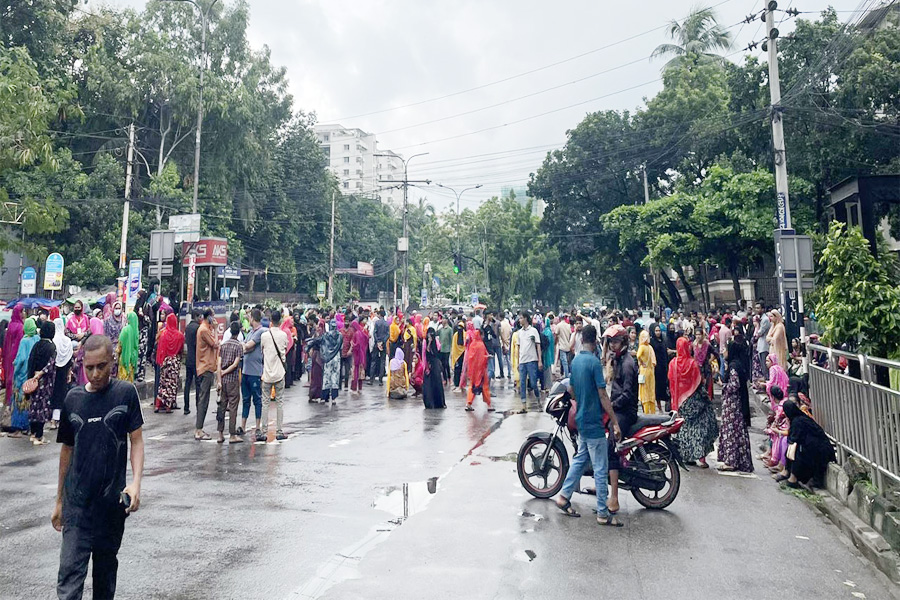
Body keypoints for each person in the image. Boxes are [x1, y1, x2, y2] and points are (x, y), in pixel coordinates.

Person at [53, 334, 144, 600]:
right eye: (88, 367)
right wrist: (59, 501)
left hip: (111, 506)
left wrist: (136, 482)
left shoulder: (125, 394)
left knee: (104, 583)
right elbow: (66, 451)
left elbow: (136, 441)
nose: (94, 374)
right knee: (69, 581)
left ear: (112, 362)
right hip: (77, 507)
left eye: (101, 366)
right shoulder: (73, 399)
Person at [553, 324, 623, 527]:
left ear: (582, 339)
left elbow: (572, 390)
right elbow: (603, 394)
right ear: (595, 341)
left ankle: (563, 496)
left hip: (581, 419)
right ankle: (602, 512)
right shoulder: (593, 363)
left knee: (580, 459)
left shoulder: (575, 362)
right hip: (594, 422)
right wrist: (615, 421)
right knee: (601, 467)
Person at [603, 325, 638, 513]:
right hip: (618, 407)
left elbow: (626, 394)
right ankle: (602, 485)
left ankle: (614, 498)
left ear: (623, 342)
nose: (612, 345)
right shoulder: (617, 360)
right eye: (611, 342)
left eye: (615, 341)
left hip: (626, 412)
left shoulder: (627, 363)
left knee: (611, 448)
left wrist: (610, 405)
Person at [669, 337, 718, 468]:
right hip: (695, 402)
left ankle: (686, 456)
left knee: (684, 429)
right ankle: (701, 458)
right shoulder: (692, 364)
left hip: (680, 403)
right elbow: (699, 383)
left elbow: (670, 382)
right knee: (701, 428)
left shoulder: (672, 364)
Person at [781, 399, 836, 489]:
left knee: (797, 453)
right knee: (792, 450)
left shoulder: (799, 421)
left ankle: (793, 478)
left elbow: (794, 439)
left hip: (821, 449)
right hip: (813, 445)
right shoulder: (797, 419)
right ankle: (787, 472)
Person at [717, 340, 754, 472]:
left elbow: (734, 385)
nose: (723, 352)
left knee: (731, 432)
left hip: (732, 405)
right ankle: (738, 460)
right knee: (737, 432)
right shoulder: (737, 365)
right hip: (736, 404)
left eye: (725, 350)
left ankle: (731, 461)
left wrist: (723, 385)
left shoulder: (733, 367)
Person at [258, 310, 289, 442]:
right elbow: (285, 349)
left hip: (267, 373)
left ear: (271, 321)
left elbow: (262, 350)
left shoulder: (264, 336)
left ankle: (263, 431)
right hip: (279, 373)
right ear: (280, 321)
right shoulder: (283, 335)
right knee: (279, 402)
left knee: (265, 403)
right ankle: (279, 430)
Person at [27, 320, 58, 445]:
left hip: (34, 379)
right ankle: (39, 436)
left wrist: (32, 376)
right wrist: (41, 373)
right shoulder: (52, 346)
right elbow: (51, 365)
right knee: (43, 407)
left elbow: (30, 362)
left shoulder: (36, 345)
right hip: (45, 381)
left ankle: (33, 433)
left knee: (34, 406)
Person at [215, 321, 244, 444]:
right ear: (238, 333)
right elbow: (236, 363)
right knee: (233, 407)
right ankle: (232, 434)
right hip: (232, 380)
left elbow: (218, 363)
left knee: (221, 407)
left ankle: (220, 434)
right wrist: (226, 371)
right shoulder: (238, 346)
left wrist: (219, 379)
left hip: (223, 381)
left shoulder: (223, 345)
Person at [192, 309, 218, 441]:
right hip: (205, 367)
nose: (213, 319)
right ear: (208, 317)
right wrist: (216, 329)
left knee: (204, 399)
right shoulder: (204, 330)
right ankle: (198, 429)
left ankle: (199, 428)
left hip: (205, 366)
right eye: (212, 317)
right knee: (203, 399)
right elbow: (215, 344)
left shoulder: (204, 329)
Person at [11, 317, 40, 435]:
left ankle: (19, 427)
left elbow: (21, 359)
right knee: (30, 399)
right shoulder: (37, 338)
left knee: (20, 400)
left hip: (22, 374)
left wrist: (15, 370)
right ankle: (29, 426)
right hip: (33, 374)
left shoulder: (24, 341)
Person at [240, 309, 265, 437]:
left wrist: (245, 347)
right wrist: (245, 347)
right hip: (245, 371)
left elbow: (248, 346)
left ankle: (257, 426)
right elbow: (245, 346)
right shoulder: (250, 332)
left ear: (253, 319)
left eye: (249, 318)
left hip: (255, 371)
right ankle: (243, 425)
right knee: (245, 399)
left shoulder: (261, 331)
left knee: (257, 400)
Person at [155, 314, 183, 413]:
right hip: (174, 362)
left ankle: (157, 406)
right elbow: (180, 350)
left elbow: (160, 350)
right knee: (171, 385)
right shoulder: (179, 335)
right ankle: (168, 406)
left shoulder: (163, 334)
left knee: (163, 384)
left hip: (165, 362)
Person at [51, 317, 74, 430]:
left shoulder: (53, 340)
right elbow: (70, 359)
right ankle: (60, 419)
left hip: (53, 372)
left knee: (54, 394)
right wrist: (69, 373)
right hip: (64, 371)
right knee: (62, 394)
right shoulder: (67, 341)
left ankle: (53, 420)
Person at [517, 311, 542, 410]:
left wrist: (539, 360)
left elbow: (538, 346)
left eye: (521, 318)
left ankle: (538, 400)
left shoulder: (533, 331)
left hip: (532, 360)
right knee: (522, 383)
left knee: (533, 383)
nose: (520, 320)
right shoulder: (520, 332)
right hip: (522, 361)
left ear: (526, 319)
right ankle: (523, 405)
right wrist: (518, 361)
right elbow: (519, 347)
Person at [464, 330, 493, 412]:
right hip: (481, 371)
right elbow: (482, 358)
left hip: (473, 371)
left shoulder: (472, 344)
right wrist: (488, 357)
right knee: (485, 387)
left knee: (472, 387)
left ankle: (468, 404)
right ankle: (489, 405)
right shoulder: (481, 345)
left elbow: (471, 358)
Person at [3, 305, 25, 411]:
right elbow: (20, 344)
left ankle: (7, 402)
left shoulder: (10, 325)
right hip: (16, 355)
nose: (24, 313)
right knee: (15, 379)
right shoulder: (20, 327)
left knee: (8, 378)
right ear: (19, 313)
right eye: (22, 311)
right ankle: (14, 405)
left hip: (8, 355)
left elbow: (6, 343)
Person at [183, 309, 202, 416]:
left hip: (188, 358)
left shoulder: (188, 327)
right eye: (200, 317)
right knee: (198, 384)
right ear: (196, 316)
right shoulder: (197, 328)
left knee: (188, 383)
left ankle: (186, 407)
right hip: (196, 359)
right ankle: (198, 406)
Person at [422, 329, 446, 409]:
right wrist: (425, 367)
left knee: (437, 383)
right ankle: (430, 403)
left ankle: (439, 403)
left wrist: (433, 341)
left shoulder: (436, 341)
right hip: (428, 364)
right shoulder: (425, 342)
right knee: (428, 385)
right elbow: (425, 354)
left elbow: (437, 351)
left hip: (435, 364)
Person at [648, 323, 669, 412]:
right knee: (657, 387)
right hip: (656, 368)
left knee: (664, 386)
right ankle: (659, 406)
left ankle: (666, 406)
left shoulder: (663, 340)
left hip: (663, 366)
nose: (658, 332)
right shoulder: (651, 342)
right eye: (656, 331)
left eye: (659, 330)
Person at [321, 322, 343, 403]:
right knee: (335, 377)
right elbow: (341, 347)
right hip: (336, 357)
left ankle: (324, 397)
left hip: (328, 357)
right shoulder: (340, 335)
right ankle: (333, 398)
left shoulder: (326, 335)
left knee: (327, 377)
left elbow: (323, 346)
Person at [635, 330, 657, 414]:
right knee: (651, 391)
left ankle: (646, 412)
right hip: (651, 371)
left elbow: (638, 355)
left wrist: (641, 362)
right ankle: (653, 411)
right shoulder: (650, 347)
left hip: (644, 371)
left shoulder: (642, 347)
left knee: (644, 391)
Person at [103, 301, 126, 378]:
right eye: (116, 308)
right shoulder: (107, 320)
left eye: (119, 308)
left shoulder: (124, 320)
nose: (117, 310)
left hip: (122, 346)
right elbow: (105, 334)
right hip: (111, 346)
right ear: (112, 309)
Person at [116, 312, 139, 383]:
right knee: (130, 380)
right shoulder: (136, 331)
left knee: (122, 381)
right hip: (132, 359)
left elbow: (120, 345)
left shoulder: (125, 330)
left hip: (124, 358)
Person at [371, 310, 390, 385]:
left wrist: (378, 341)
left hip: (377, 343)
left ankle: (371, 379)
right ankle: (380, 380)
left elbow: (374, 333)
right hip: (383, 344)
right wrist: (383, 342)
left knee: (374, 361)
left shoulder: (377, 323)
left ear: (380, 315)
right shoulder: (386, 324)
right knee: (382, 361)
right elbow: (388, 334)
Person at [350, 317, 368, 393]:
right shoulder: (362, 332)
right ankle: (360, 388)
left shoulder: (356, 334)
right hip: (362, 354)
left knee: (355, 371)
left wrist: (352, 344)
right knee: (360, 371)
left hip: (357, 355)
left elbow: (356, 345)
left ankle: (354, 388)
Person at [450, 320, 466, 391]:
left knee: (462, 370)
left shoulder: (465, 335)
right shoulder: (455, 335)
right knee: (457, 371)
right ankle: (457, 384)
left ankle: (461, 384)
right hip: (457, 355)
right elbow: (453, 346)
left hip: (463, 354)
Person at [437, 318, 453, 385]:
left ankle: (449, 378)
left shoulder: (449, 329)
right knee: (442, 365)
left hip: (447, 349)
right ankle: (445, 379)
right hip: (441, 349)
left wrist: (451, 349)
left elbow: (451, 339)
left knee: (446, 364)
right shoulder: (441, 330)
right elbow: (437, 334)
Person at [340, 318, 354, 391]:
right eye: (345, 321)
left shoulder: (351, 331)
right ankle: (339, 386)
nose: (346, 322)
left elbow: (352, 341)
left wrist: (350, 350)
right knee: (339, 369)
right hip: (341, 352)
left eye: (347, 321)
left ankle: (346, 385)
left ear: (349, 322)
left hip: (348, 353)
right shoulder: (341, 331)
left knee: (347, 369)